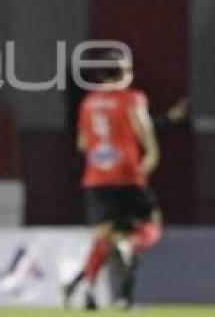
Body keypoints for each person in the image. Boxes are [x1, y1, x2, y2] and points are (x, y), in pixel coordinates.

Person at [62, 49, 162, 310]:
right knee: (151, 225)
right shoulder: (131, 98)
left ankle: (85, 289)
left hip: (96, 178)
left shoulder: (88, 102)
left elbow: (83, 143)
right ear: (125, 72)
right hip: (127, 173)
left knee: (102, 239)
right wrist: (151, 151)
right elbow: (141, 125)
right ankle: (130, 246)